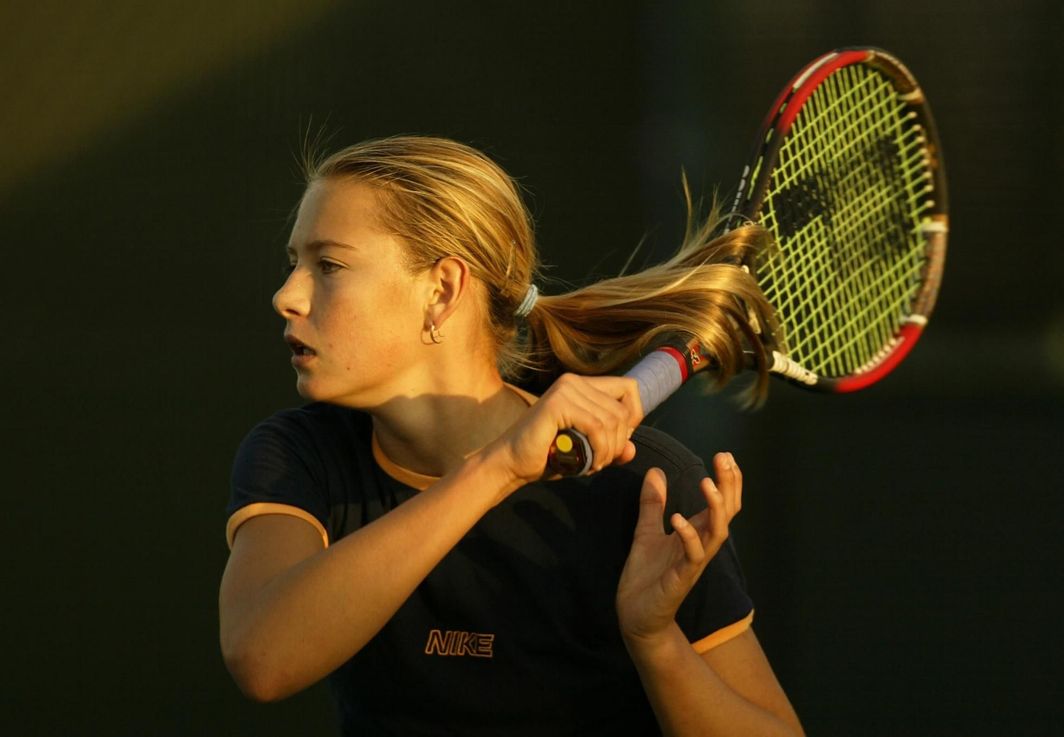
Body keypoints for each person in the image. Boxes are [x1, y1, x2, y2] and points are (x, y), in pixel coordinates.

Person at [219, 135, 804, 736]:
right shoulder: (297, 456)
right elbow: (263, 659)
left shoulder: (647, 490)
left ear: (443, 290)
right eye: (295, 263)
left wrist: (654, 640)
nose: (286, 295)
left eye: (329, 265)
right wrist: (498, 467)